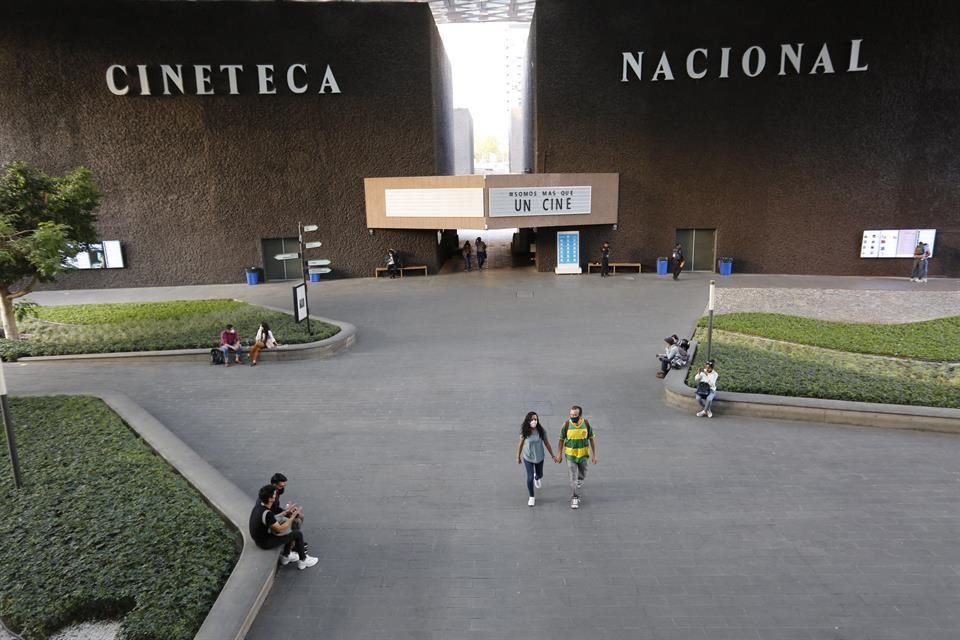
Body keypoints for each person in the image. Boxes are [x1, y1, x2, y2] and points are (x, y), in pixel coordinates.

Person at [249, 485, 319, 570]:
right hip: (265, 542)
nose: (276, 495)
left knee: (289, 527)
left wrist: (285, 512)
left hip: (259, 539)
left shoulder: (259, 507)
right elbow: (280, 529)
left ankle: (286, 556)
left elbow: (272, 519)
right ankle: (303, 560)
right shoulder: (267, 514)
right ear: (270, 499)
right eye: (274, 494)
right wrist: (292, 516)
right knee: (297, 534)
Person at [556, 405, 597, 510]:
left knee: (583, 472)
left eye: (575, 415)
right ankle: (574, 497)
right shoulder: (566, 425)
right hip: (571, 456)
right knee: (573, 477)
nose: (572, 417)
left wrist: (594, 455)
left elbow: (591, 439)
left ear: (580, 415)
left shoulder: (586, 424)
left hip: (583, 455)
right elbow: (561, 440)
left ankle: (580, 479)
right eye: (571, 415)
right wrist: (559, 454)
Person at [516, 411, 558, 507]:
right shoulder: (525, 432)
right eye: (532, 419)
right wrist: (518, 456)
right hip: (528, 457)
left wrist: (553, 455)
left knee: (540, 474)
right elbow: (520, 444)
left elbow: (547, 443)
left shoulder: (541, 431)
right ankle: (531, 496)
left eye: (535, 419)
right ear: (528, 421)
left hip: (539, 457)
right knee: (529, 478)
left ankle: (537, 477)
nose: (534, 421)